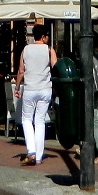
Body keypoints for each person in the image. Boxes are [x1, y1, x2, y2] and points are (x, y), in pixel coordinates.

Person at [14, 25, 56, 167]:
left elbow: (21, 70)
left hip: (30, 89)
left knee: (26, 119)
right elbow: (55, 70)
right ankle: (38, 156)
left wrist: (18, 87)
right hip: (45, 89)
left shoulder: (26, 49)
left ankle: (31, 151)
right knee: (39, 121)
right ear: (43, 36)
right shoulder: (49, 50)